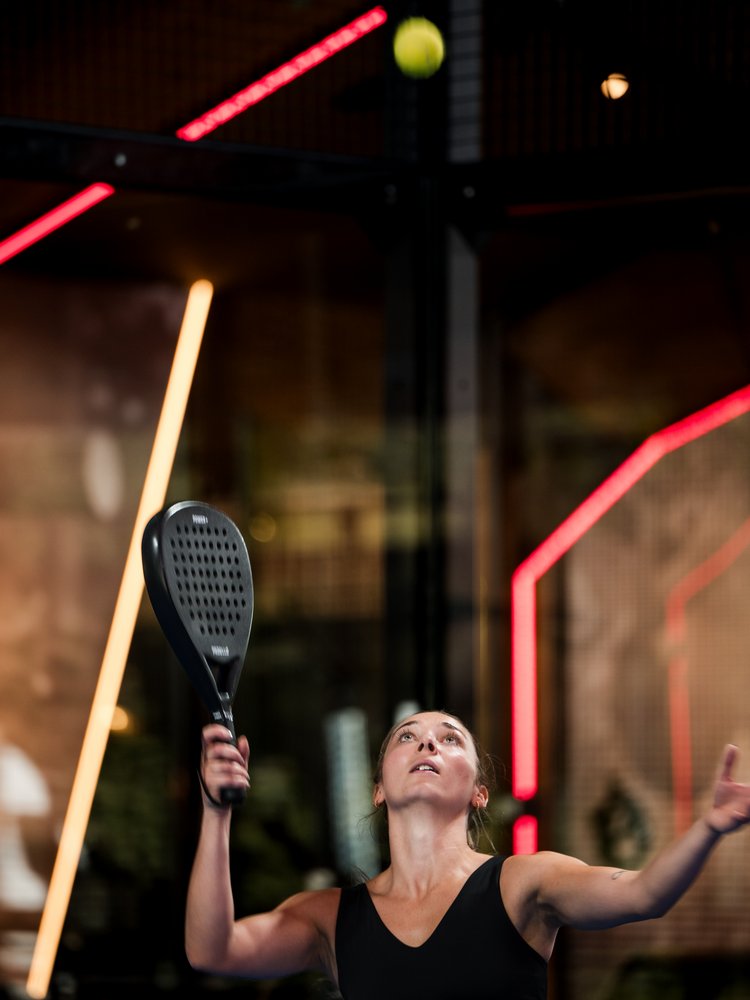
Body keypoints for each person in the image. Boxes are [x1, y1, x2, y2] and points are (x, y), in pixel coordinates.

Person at [185, 710, 750, 999]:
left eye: (450, 738)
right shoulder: (330, 917)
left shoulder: (525, 882)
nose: (428, 742)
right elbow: (212, 949)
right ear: (379, 788)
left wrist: (710, 827)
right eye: (407, 737)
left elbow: (646, 894)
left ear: (479, 791)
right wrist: (216, 812)